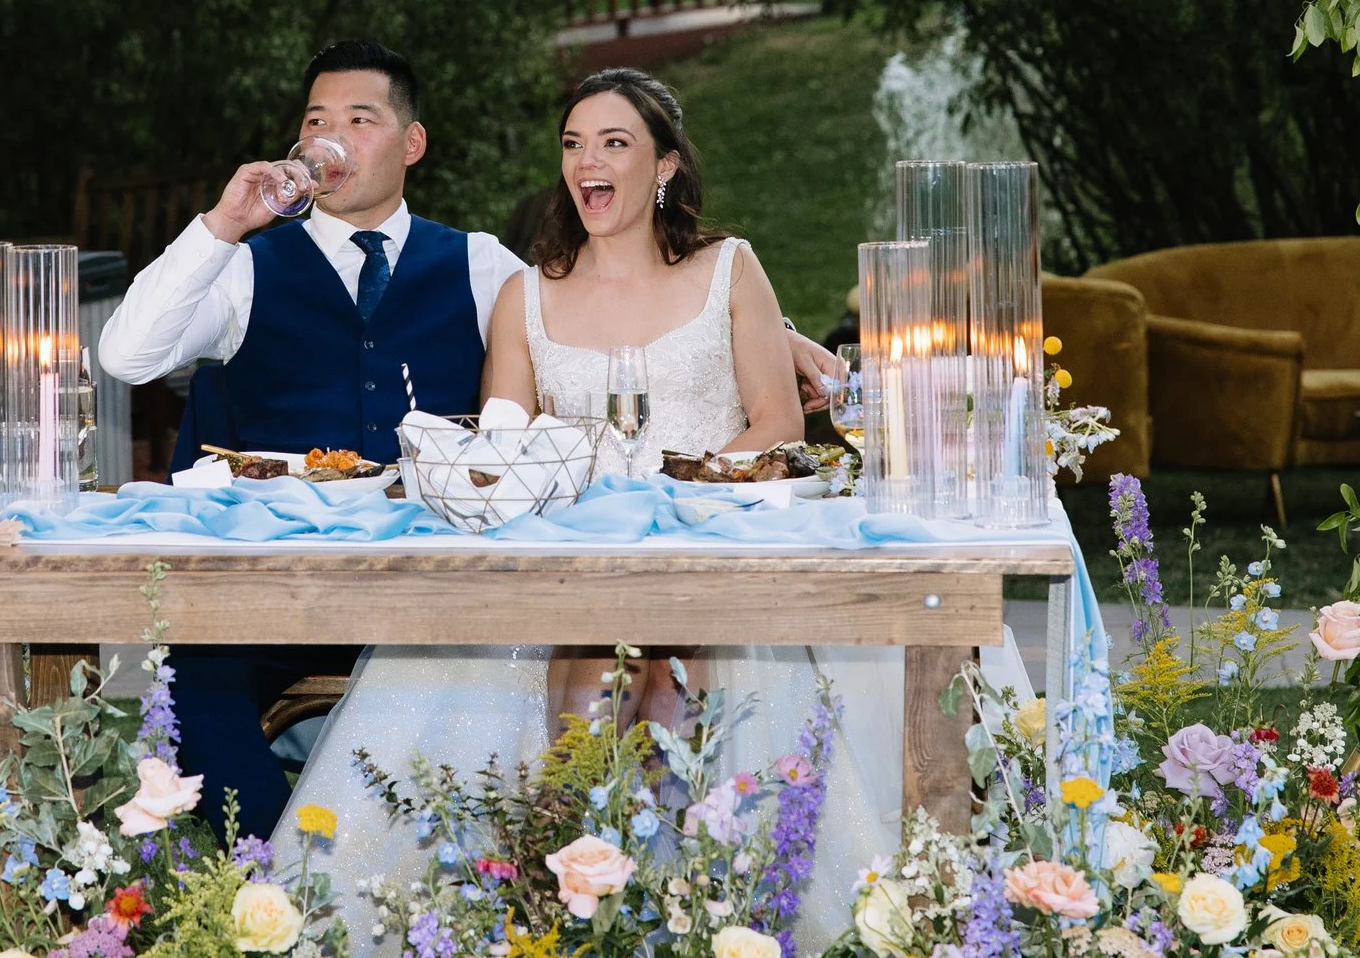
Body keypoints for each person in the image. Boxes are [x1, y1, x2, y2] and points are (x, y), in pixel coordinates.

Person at [95, 44, 841, 840]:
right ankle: (269, 886)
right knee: (195, 678)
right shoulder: (245, 268)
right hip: (290, 585)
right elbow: (127, 355)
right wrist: (221, 224)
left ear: (411, 143)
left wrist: (775, 335)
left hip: (426, 585)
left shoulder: (481, 263)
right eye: (317, 120)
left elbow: (618, 303)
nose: (331, 137)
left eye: (359, 118)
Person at [279, 68, 895, 953]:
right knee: (585, 648)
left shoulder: (731, 267)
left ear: (665, 168)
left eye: (614, 143)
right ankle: (566, 887)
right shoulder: (528, 293)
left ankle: (671, 896)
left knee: (665, 654)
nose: (588, 161)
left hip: (702, 543)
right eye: (574, 144)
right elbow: (504, 438)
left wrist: (682, 486)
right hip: (564, 555)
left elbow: (776, 419)